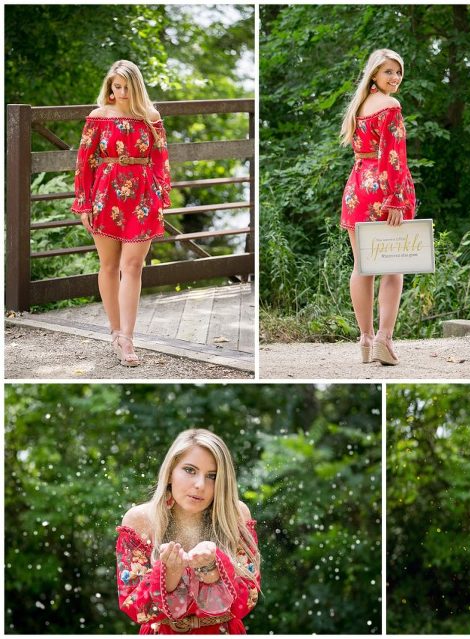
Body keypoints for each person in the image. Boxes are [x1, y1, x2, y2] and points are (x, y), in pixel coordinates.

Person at [72, 60, 171, 367]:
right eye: (117, 87)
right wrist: (83, 204)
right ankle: (115, 332)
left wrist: (160, 196)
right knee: (109, 264)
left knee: (134, 266)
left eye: (127, 87)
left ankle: (127, 339)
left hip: (142, 199)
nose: (122, 92)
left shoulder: (150, 117)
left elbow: (161, 160)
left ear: (136, 86)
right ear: (110, 88)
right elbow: (84, 163)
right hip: (105, 195)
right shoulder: (98, 117)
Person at [116, 429, 261, 633]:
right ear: (170, 472)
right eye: (190, 470)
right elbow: (136, 609)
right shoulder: (141, 520)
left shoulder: (235, 515)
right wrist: (170, 575)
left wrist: (211, 569)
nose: (200, 485)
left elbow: (247, 601)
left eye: (212, 476)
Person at [339, 49, 417, 366]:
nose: (395, 78)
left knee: (362, 267)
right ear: (374, 74)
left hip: (357, 189)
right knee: (392, 268)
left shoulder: (360, 106)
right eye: (388, 72)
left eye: (398, 72)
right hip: (383, 192)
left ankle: (365, 339)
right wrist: (396, 199)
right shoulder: (390, 106)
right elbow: (394, 157)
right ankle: (384, 338)